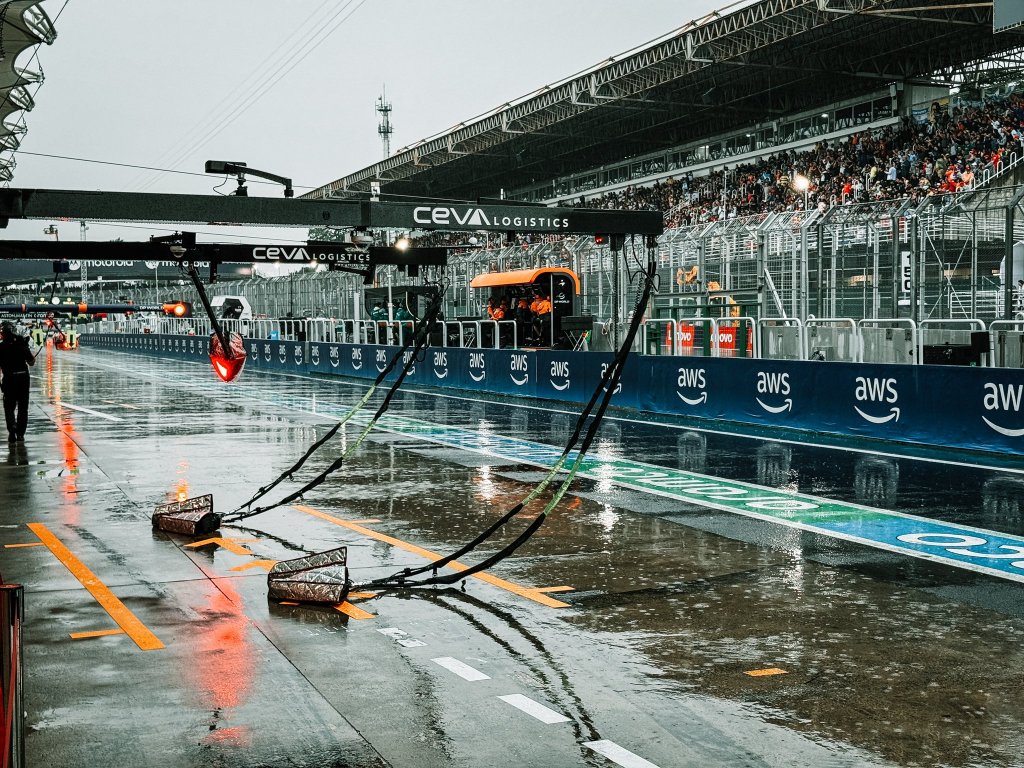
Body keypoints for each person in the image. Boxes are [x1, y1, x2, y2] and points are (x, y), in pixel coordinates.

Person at [0, 321, 34, 442]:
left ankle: (12, 430)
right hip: (23, 378)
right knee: (23, 407)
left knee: (9, 406)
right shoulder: (21, 343)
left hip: (9, 379)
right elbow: (31, 362)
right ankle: (20, 434)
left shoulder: (1, 347)